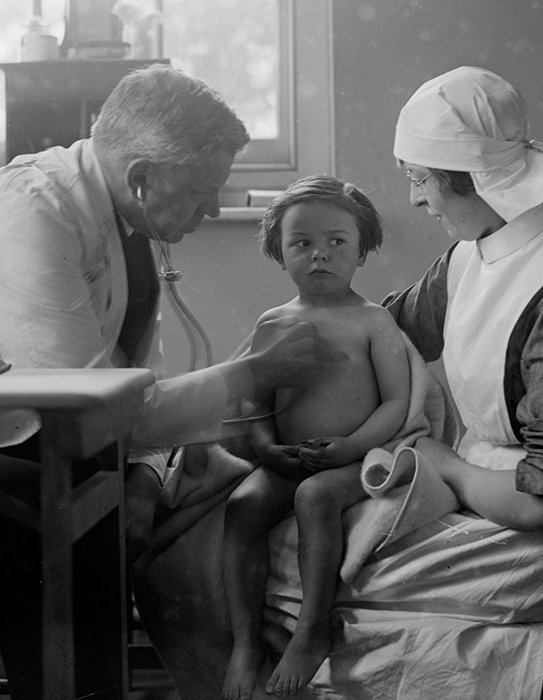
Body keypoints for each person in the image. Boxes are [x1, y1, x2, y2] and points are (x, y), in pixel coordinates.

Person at [0, 65, 328, 699]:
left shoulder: (124, 230)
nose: (211, 209)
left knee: (158, 492)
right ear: (141, 178)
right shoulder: (30, 209)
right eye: (200, 191)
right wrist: (255, 373)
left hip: (11, 441)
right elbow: (86, 405)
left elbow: (131, 389)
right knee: (71, 518)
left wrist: (144, 476)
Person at [130, 66, 543, 700]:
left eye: (421, 179)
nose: (414, 200)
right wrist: (238, 404)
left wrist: (441, 461)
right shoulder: (482, 250)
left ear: (474, 179)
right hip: (488, 494)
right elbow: (358, 332)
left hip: (541, 542)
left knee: (260, 561)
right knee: (228, 524)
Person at [221, 175, 412, 700]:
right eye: (301, 243)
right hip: (288, 458)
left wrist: (351, 448)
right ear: (279, 253)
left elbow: (396, 401)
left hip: (352, 457)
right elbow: (254, 400)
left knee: (315, 496)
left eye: (337, 242)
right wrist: (264, 448)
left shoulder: (373, 321)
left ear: (362, 250)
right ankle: (245, 642)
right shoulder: (274, 321)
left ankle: (311, 629)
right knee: (243, 505)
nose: (319, 255)